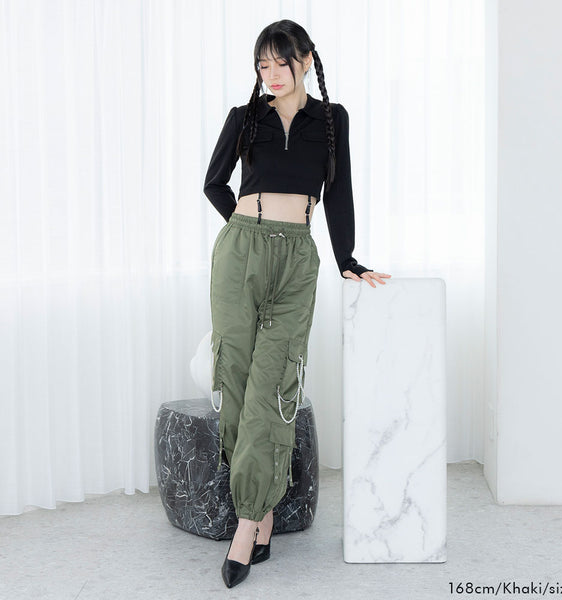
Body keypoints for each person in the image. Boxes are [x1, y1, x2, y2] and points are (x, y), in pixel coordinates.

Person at [203, 19, 391, 588]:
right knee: (236, 380)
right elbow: (214, 183)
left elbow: (340, 191)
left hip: (298, 258)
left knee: (275, 380)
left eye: (281, 63)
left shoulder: (332, 120)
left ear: (306, 60)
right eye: (263, 65)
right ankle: (257, 517)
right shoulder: (245, 117)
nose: (271, 74)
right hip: (240, 253)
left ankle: (245, 526)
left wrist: (347, 257)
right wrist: (245, 229)